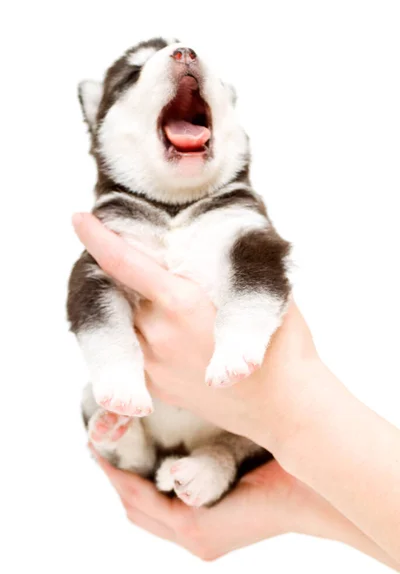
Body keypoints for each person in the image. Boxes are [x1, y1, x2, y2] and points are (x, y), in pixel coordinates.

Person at [72, 213, 400, 570]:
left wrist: (285, 405)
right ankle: (134, 443)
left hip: (226, 427)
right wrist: (286, 499)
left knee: (225, 449)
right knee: (109, 407)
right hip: (164, 423)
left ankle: (193, 456)